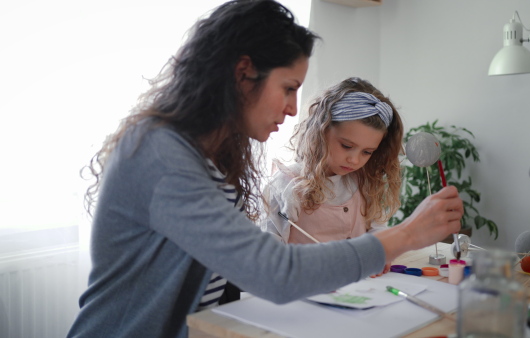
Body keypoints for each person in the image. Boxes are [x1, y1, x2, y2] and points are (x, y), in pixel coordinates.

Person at [67, 1, 464, 337]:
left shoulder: (207, 154)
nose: (294, 108)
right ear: (243, 74)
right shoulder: (159, 154)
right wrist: (408, 234)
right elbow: (274, 271)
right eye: (289, 87)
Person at [260, 77, 402, 275]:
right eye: (346, 146)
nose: (354, 160)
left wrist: (380, 252)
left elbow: (376, 229)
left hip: (362, 292)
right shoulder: (287, 184)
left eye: (367, 152)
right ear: (321, 131)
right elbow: (268, 253)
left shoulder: (362, 182)